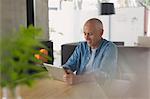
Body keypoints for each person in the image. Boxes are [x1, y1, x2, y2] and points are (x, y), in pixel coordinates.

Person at [63, 18, 118, 85]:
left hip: (99, 88)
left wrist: (78, 79)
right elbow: (69, 65)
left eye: (90, 34)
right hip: (80, 86)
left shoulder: (110, 47)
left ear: (101, 33)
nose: (86, 38)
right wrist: (66, 71)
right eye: (85, 33)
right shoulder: (81, 46)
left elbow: (103, 74)